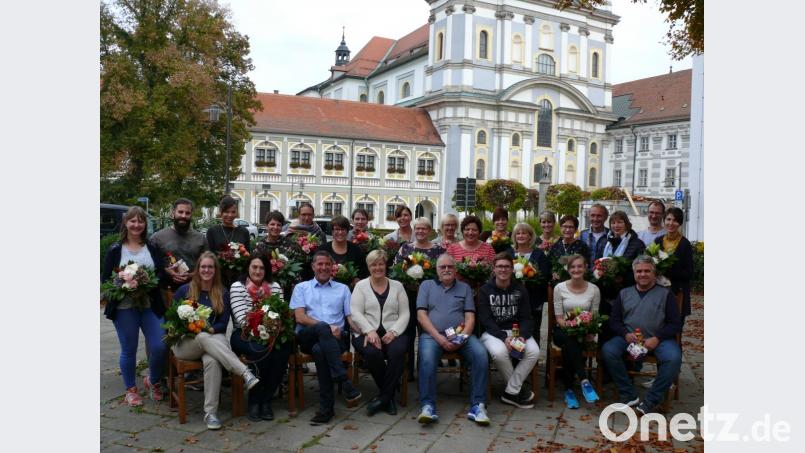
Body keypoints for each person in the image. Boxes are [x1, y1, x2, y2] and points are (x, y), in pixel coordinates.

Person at [171, 251, 260, 430]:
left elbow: (222, 323)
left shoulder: (222, 292)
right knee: (203, 336)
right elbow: (170, 320)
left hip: (212, 340)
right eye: (203, 266)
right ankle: (244, 372)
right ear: (197, 269)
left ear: (215, 270)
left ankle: (210, 413)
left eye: (210, 267)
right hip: (186, 343)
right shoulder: (185, 290)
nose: (206, 270)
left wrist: (208, 328)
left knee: (212, 360)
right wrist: (193, 327)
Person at [102, 206, 168, 406]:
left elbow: (162, 273)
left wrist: (148, 281)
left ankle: (153, 380)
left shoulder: (152, 247)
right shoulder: (115, 250)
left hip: (150, 304)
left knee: (160, 345)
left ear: (145, 224)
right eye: (133, 220)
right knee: (129, 349)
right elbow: (106, 279)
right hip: (124, 307)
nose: (136, 224)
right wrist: (122, 284)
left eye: (140, 221)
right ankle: (130, 389)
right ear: (125, 223)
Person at [601, 256, 682, 415]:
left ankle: (651, 400)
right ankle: (628, 394)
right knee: (608, 350)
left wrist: (657, 337)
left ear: (654, 273)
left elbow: (675, 323)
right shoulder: (624, 293)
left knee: (674, 358)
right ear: (634, 273)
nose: (643, 274)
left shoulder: (665, 294)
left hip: (658, 339)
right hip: (630, 338)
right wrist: (625, 334)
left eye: (647, 271)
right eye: (639, 271)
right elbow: (614, 321)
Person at [416, 254, 490, 426]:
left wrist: (462, 337)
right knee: (426, 358)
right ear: (436, 269)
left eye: (450, 267)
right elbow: (421, 315)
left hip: (461, 335)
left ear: (455, 270)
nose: (447, 270)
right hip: (433, 335)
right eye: (443, 267)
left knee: (480, 354)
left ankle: (478, 406)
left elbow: (470, 317)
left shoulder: (464, 288)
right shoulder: (426, 286)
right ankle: (428, 406)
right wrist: (439, 338)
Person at [290, 250, 362, 425]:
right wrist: (328, 327)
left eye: (327, 264)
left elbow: (350, 318)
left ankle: (326, 409)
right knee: (321, 328)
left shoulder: (343, 289)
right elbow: (299, 317)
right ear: (313, 266)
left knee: (320, 350)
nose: (323, 267)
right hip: (308, 336)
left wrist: (366, 332)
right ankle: (344, 379)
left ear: (332, 267)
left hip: (336, 340)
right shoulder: (302, 287)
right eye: (320, 264)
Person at [350, 250, 410, 416]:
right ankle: (389, 395)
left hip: (394, 332)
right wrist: (369, 330)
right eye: (373, 264)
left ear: (386, 265)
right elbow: (355, 312)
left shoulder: (398, 286)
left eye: (381, 264)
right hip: (365, 332)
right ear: (368, 267)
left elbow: (405, 313)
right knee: (372, 353)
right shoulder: (360, 286)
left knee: (397, 351)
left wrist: (394, 331)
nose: (378, 267)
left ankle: (384, 398)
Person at [229, 254, 288, 422]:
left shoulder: (274, 286)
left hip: (270, 333)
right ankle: (255, 400)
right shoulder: (237, 287)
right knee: (260, 349)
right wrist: (264, 313)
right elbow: (242, 320)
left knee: (284, 349)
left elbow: (280, 314)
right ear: (248, 268)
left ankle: (266, 399)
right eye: (254, 267)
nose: (258, 271)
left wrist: (272, 325)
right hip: (243, 334)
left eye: (262, 268)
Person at [478, 253, 539, 409]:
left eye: (506, 266)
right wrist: (503, 337)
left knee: (534, 351)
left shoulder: (520, 289)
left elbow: (527, 317)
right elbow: (485, 320)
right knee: (499, 353)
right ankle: (517, 391)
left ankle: (511, 391)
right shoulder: (485, 290)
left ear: (512, 269)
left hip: (517, 332)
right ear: (494, 269)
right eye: (499, 266)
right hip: (494, 333)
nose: (503, 269)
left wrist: (523, 337)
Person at [393, 217, 446, 379]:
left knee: (427, 333)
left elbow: (443, 273)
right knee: (407, 333)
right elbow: (396, 269)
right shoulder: (406, 248)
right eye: (418, 228)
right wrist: (408, 280)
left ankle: (425, 369)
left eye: (424, 228)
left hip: (431, 298)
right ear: (414, 230)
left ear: (430, 231)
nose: (420, 231)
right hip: (408, 296)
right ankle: (407, 370)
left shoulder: (438, 250)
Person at [552, 254, 602, 409]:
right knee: (570, 339)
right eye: (573, 267)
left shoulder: (594, 289)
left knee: (570, 346)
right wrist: (571, 326)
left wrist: (589, 331)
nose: (576, 269)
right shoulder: (559, 288)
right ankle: (583, 379)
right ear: (568, 269)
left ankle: (569, 390)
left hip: (584, 332)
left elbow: (594, 316)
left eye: (580, 266)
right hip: (563, 330)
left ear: (586, 268)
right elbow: (559, 317)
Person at [151, 198, 209, 292]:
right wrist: (167, 271)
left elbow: (208, 265)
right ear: (173, 213)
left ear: (191, 215)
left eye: (187, 213)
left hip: (193, 291)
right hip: (165, 291)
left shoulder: (201, 238)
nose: (183, 216)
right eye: (180, 212)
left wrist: (191, 275)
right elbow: (152, 264)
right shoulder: (158, 238)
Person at [511, 222, 551, 344]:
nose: (521, 235)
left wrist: (529, 281)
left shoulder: (539, 254)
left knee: (533, 331)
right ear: (514, 236)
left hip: (533, 301)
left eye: (524, 233)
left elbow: (545, 276)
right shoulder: (509, 253)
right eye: (518, 233)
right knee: (514, 330)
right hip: (512, 300)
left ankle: (533, 360)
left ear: (530, 236)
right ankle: (514, 357)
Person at [654, 207, 694, 326]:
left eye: (675, 220)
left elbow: (689, 273)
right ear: (664, 220)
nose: (671, 223)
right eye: (668, 219)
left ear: (680, 223)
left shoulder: (685, 244)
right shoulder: (658, 241)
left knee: (675, 329)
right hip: (658, 292)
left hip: (678, 292)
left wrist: (668, 271)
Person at [207, 195, 252, 287]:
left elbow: (248, 257)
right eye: (226, 212)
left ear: (236, 213)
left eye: (233, 212)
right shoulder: (213, 231)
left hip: (239, 280)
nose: (230, 215)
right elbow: (209, 255)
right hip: (218, 279)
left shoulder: (243, 232)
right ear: (221, 212)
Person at [320, 215, 369, 285]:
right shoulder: (323, 249)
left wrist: (357, 279)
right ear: (332, 231)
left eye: (343, 229)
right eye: (337, 229)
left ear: (347, 231)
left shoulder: (356, 250)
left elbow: (363, 272)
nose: (340, 232)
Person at [579, 203, 610, 269]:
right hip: (585, 276)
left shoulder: (611, 235)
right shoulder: (582, 235)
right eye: (592, 215)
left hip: (605, 277)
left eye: (599, 216)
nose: (595, 219)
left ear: (605, 217)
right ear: (589, 217)